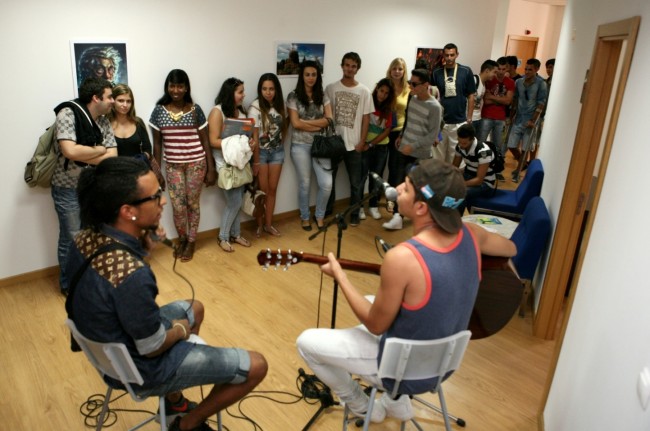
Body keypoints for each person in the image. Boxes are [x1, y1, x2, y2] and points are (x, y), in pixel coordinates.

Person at [296, 158, 516, 423]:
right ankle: (396, 403)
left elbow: (377, 325)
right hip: (444, 364)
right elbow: (510, 249)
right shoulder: (472, 233)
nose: (398, 187)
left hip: (401, 372)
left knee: (306, 342)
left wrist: (341, 277)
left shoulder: (403, 258)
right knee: (373, 299)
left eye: (407, 188)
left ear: (421, 207)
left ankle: (364, 406)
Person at [68, 157, 267, 431]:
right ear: (128, 211)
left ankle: (174, 402)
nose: (163, 201)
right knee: (256, 365)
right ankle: (187, 424)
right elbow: (151, 347)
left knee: (195, 307)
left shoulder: (83, 238)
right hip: (140, 368)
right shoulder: (132, 275)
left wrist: (143, 245)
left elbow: (113, 289)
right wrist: (181, 330)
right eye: (155, 197)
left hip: (107, 348)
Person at [51, 76, 117, 295]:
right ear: (96, 97)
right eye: (109, 97)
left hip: (93, 188)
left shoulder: (104, 121)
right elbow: (69, 151)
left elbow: (112, 157)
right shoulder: (68, 113)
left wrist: (87, 153)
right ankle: (69, 285)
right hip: (67, 188)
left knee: (93, 236)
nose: (113, 102)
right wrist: (98, 150)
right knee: (71, 237)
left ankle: (89, 280)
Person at [149, 69, 216, 262]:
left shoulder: (196, 110)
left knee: (192, 204)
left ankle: (192, 241)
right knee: (178, 206)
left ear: (186, 87)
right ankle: (183, 239)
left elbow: (205, 142)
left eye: (180, 86)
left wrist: (211, 169)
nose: (176, 90)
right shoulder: (159, 111)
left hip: (197, 163)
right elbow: (158, 145)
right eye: (172, 85)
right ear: (167, 87)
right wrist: (156, 171)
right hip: (173, 166)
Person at [383, 69, 442, 231]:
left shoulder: (435, 107)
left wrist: (413, 146)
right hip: (404, 149)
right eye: (410, 83)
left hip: (420, 154)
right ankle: (397, 216)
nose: (411, 87)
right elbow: (408, 120)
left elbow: (432, 136)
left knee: (422, 188)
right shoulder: (413, 99)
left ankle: (432, 217)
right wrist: (402, 136)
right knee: (399, 183)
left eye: (414, 84)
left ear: (426, 85)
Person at [325, 52, 374, 226]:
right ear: (342, 66)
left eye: (353, 66)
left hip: (354, 145)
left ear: (358, 68)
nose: (350, 69)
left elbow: (366, 118)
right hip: (335, 143)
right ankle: (328, 210)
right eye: (347, 65)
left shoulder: (364, 91)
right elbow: (326, 115)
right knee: (329, 181)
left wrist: (362, 141)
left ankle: (354, 213)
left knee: (356, 183)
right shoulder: (331, 88)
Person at [208, 77, 256, 252]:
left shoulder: (241, 113)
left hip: (240, 163)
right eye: (240, 91)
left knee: (237, 200)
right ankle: (223, 237)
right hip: (224, 165)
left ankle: (235, 235)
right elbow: (212, 141)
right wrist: (235, 142)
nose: (244, 95)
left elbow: (246, 138)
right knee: (234, 202)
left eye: (243, 91)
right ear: (230, 93)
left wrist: (249, 144)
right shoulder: (217, 112)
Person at [287, 60, 333, 231]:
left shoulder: (323, 95)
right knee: (304, 183)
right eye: (307, 74)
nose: (311, 78)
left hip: (321, 145)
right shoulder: (293, 96)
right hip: (300, 146)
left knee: (326, 184)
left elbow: (330, 120)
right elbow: (295, 124)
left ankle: (319, 215)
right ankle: (305, 216)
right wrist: (319, 123)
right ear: (302, 76)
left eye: (314, 74)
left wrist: (306, 122)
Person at [248, 73, 287, 237]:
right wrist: (256, 162)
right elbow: (255, 138)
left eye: (271, 88)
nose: (268, 92)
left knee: (272, 190)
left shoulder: (280, 106)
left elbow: (285, 127)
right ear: (260, 90)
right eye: (264, 89)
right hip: (261, 153)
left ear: (276, 89)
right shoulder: (255, 107)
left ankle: (269, 225)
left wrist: (280, 143)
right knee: (262, 191)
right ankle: (260, 225)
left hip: (277, 152)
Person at [431, 43, 477, 164]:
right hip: (440, 123)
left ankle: (450, 182)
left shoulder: (466, 71)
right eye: (447, 55)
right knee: (437, 158)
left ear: (457, 55)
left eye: (452, 55)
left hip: (459, 122)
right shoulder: (436, 73)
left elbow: (471, 95)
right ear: (443, 56)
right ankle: (437, 182)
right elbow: (432, 96)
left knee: (454, 158)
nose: (449, 58)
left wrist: (469, 118)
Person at [507, 58, 548, 181]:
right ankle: (523, 163)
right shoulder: (519, 82)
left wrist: (533, 120)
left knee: (525, 148)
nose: (527, 71)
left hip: (530, 120)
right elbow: (515, 99)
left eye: (530, 69)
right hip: (519, 118)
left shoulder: (541, 84)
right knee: (511, 145)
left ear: (536, 70)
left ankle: (518, 171)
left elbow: (541, 103)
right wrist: (511, 116)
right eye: (526, 69)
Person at [360, 78, 395, 221]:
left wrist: (371, 144)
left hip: (380, 147)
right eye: (381, 91)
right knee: (361, 177)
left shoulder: (390, 110)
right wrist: (365, 143)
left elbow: (387, 131)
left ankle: (373, 206)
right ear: (377, 89)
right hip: (365, 145)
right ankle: (360, 207)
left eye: (386, 93)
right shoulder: (367, 103)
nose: (382, 95)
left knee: (376, 178)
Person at [478, 56, 515, 175]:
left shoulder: (510, 82)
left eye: (504, 69)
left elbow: (508, 101)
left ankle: (495, 170)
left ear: (507, 69)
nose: (500, 71)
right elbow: (486, 100)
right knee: (481, 143)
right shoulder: (489, 80)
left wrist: (494, 98)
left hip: (501, 118)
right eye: (498, 68)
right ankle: (479, 168)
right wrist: (501, 99)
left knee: (498, 146)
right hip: (486, 115)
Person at [385, 58, 410, 216]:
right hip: (383, 131)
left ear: (404, 71)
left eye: (400, 69)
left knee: (396, 168)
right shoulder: (384, 86)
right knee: (381, 167)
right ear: (390, 70)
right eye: (394, 68)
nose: (397, 71)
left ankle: (393, 200)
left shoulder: (409, 88)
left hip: (400, 132)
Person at [452, 123, 496, 214]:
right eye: (459, 141)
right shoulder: (460, 146)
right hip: (469, 176)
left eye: (464, 143)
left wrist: (460, 184)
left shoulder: (483, 151)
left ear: (472, 139)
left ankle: (456, 222)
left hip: (485, 183)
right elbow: (454, 167)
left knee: (460, 193)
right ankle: (445, 217)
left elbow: (479, 180)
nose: (461, 145)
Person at [470, 60, 498, 138]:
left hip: (478, 119)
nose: (495, 75)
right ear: (487, 70)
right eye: (494, 72)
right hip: (469, 120)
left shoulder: (484, 85)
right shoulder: (474, 80)